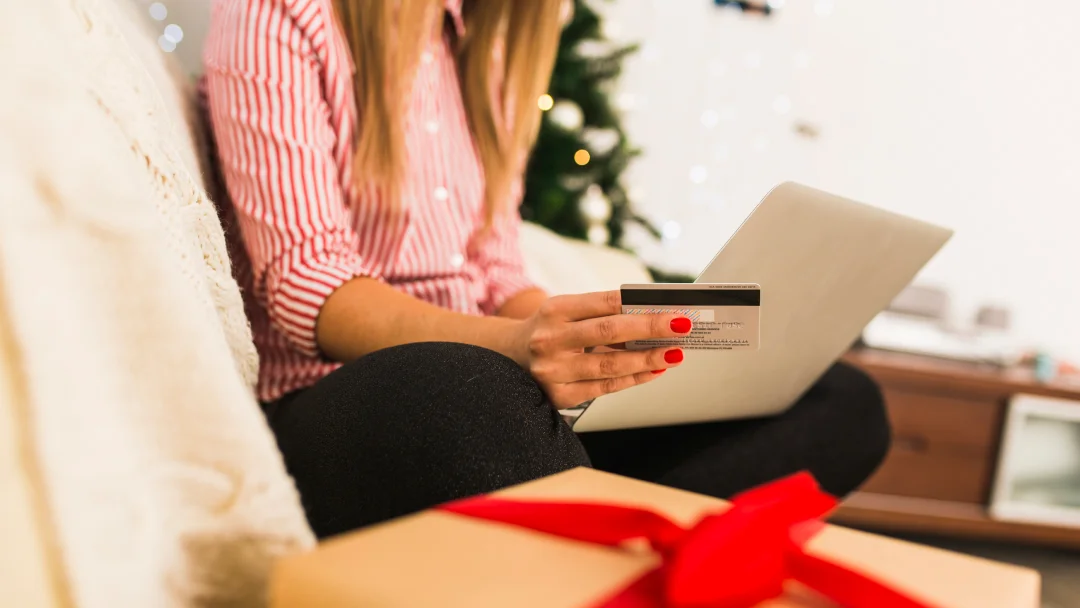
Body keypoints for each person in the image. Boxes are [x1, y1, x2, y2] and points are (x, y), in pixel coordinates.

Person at [203, 0, 890, 539]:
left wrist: (591, 339)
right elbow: (308, 285)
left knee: (842, 402)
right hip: (349, 396)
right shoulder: (286, 11)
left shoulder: (484, 45)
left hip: (491, 390)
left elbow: (497, 270)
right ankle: (602, 526)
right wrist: (516, 346)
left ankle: (590, 529)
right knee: (474, 396)